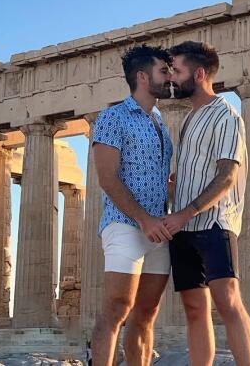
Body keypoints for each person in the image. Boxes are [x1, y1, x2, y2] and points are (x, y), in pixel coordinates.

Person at [163, 41, 250, 366]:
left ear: (199, 73)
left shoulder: (227, 115)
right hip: (183, 226)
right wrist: (172, 189)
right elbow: (193, 172)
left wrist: (186, 211)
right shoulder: (189, 119)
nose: (171, 77)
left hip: (215, 222)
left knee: (228, 301)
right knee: (194, 308)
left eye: (177, 71)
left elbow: (227, 174)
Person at [90, 45, 175, 366]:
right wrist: (142, 219)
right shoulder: (113, 117)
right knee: (116, 307)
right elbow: (108, 178)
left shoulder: (160, 121)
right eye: (163, 71)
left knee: (147, 313)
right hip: (125, 224)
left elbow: (151, 177)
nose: (170, 77)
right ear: (142, 76)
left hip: (158, 228)